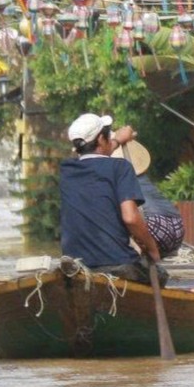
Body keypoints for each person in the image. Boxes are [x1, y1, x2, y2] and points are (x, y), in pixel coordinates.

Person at [59, 112, 163, 283]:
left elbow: (94, 157)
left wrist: (118, 140)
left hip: (76, 265)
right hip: (117, 262)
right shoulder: (121, 168)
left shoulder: (66, 170)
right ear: (101, 139)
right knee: (161, 276)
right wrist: (152, 249)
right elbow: (130, 218)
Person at [111, 140, 184, 257]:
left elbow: (130, 218)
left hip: (156, 228)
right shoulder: (144, 178)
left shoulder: (121, 179)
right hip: (178, 226)